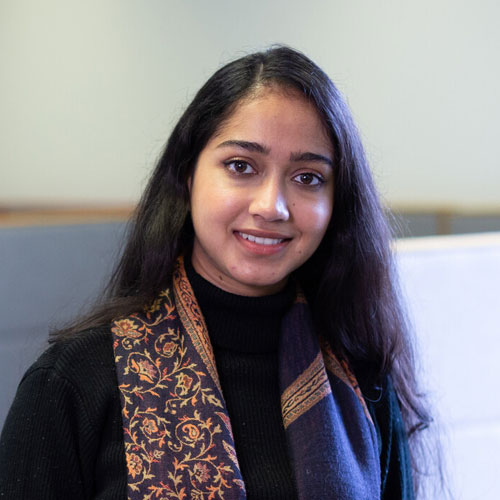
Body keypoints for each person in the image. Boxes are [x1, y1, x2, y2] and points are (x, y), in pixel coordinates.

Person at [0, 46, 431, 499]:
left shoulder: (360, 377)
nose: (271, 206)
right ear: (188, 176)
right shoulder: (75, 381)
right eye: (241, 166)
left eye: (307, 177)